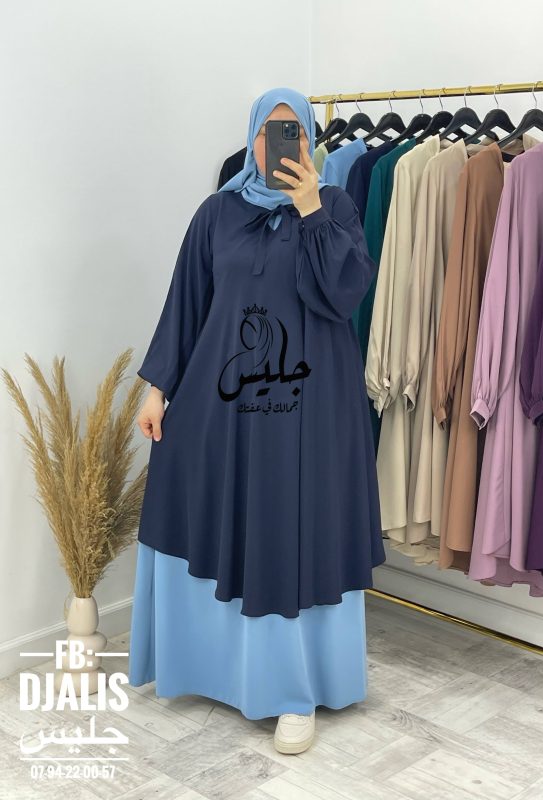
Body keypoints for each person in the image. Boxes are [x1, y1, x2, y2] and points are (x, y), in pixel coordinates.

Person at [128, 87, 385, 755]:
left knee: (295, 528)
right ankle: (211, 669)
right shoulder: (216, 213)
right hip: (224, 403)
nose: (280, 144)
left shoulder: (335, 207)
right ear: (252, 139)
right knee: (216, 510)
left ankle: (293, 691)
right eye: (270, 131)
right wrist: (157, 390)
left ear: (310, 141)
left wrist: (310, 207)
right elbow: (187, 304)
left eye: (293, 131)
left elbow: (345, 295)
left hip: (313, 408)